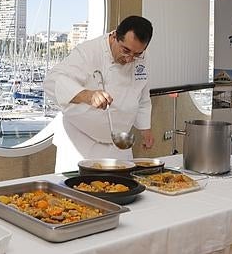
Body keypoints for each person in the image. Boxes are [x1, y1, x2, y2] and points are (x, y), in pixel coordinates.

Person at [44, 15, 155, 173]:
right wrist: (87, 95)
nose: (130, 58)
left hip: (119, 147)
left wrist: (145, 129)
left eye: (137, 54)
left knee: (122, 191)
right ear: (115, 36)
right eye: (126, 50)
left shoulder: (142, 57)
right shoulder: (88, 52)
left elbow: (142, 95)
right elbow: (52, 81)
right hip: (81, 144)